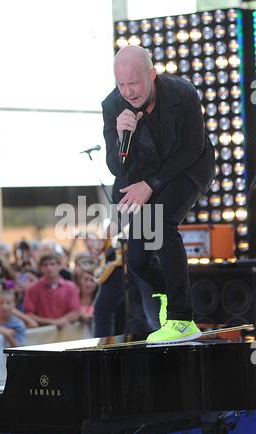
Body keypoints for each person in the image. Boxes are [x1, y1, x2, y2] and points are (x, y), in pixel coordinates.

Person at [102, 45, 215, 342]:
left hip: (187, 166)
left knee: (161, 222)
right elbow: (115, 166)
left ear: (151, 74)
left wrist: (151, 184)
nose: (128, 91)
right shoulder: (113, 105)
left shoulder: (182, 92)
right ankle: (168, 291)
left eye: (134, 82)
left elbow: (193, 147)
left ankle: (181, 318)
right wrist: (120, 136)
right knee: (138, 260)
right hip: (142, 176)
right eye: (121, 84)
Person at [23, 253, 81, 328]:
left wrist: (62, 321)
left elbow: (75, 313)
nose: (49, 268)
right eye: (45, 265)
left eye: (52, 264)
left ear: (60, 266)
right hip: (41, 334)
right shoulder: (33, 289)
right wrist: (55, 322)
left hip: (66, 333)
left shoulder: (71, 287)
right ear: (40, 268)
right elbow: (28, 314)